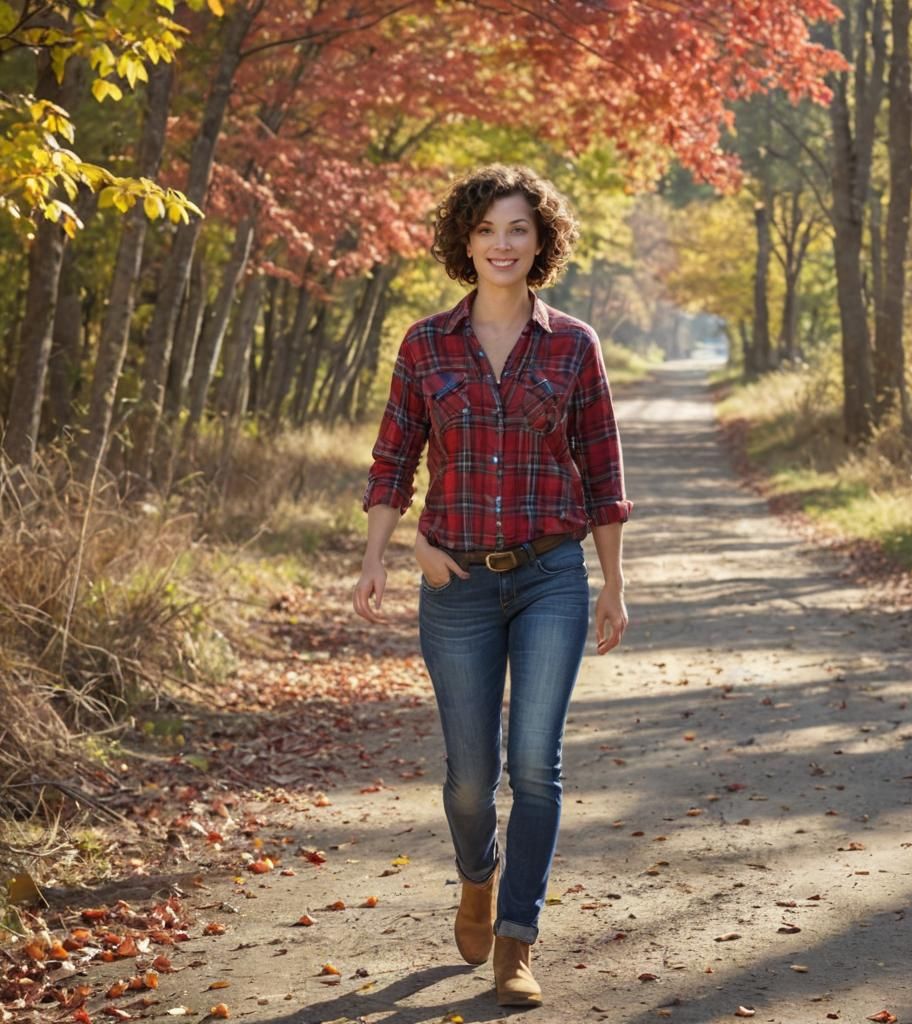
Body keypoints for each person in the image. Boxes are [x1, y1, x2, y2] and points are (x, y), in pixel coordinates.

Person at [352, 164, 631, 1008]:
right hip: (457, 582)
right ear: (464, 243)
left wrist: (613, 583)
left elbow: (603, 470)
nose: (501, 244)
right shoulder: (425, 345)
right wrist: (384, 553)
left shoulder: (574, 345)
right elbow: (394, 457)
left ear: (541, 242)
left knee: (536, 767)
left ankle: (517, 938)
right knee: (472, 778)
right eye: (486, 230)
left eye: (518, 229)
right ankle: (478, 877)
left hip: (551, 575)